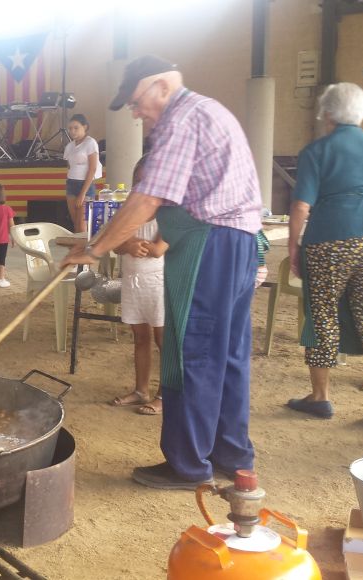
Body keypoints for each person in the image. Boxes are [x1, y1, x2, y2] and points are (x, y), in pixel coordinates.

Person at [63, 55, 263, 490]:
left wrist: (95, 249)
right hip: (239, 243)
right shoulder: (209, 110)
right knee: (227, 355)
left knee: (194, 353)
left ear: (160, 87)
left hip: (209, 244)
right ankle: (231, 454)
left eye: (136, 102)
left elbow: (146, 199)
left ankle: (189, 465)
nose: (135, 112)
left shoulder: (180, 119)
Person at [284, 82, 363, 418]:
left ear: (328, 112)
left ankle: (320, 397)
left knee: (322, 316)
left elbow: (302, 205)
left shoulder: (317, 151)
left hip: (328, 241)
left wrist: (293, 247)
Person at [108, 155, 167, 416]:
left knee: (163, 340)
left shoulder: (167, 214)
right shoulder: (127, 212)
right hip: (133, 281)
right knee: (140, 337)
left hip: (158, 282)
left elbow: (157, 249)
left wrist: (135, 244)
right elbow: (115, 243)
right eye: (138, 182)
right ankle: (141, 389)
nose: (143, 188)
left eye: (149, 181)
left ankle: (165, 395)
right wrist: (128, 244)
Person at [63, 114, 102, 233]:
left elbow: (92, 169)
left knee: (83, 225)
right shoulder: (69, 146)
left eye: (76, 128)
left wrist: (82, 194)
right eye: (70, 128)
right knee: (76, 223)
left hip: (85, 185)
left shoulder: (90, 143)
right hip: (71, 184)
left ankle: (85, 249)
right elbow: (69, 165)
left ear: (84, 127)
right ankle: (79, 250)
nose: (72, 131)